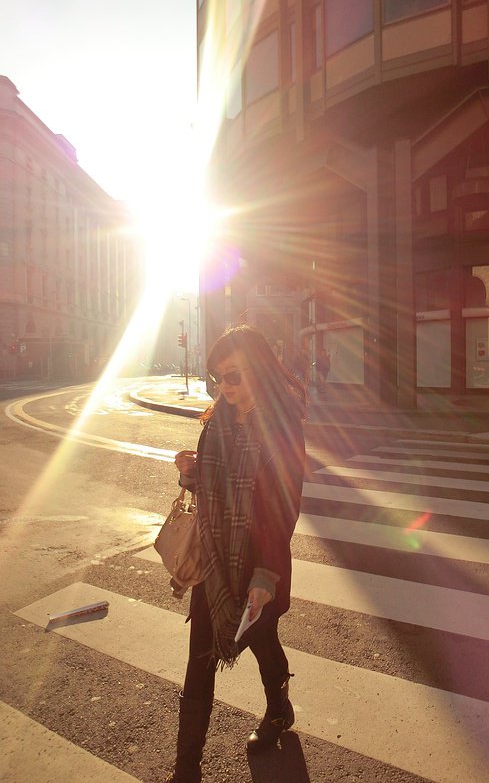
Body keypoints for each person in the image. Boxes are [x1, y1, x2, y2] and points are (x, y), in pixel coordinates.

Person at [166, 325, 306, 783]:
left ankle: (278, 709)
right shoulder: (216, 424)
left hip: (259, 561)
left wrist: (266, 575)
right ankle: (186, 769)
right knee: (199, 663)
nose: (223, 386)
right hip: (215, 564)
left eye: (233, 376)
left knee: (263, 643)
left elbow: (284, 506)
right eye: (217, 376)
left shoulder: (282, 428)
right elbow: (212, 491)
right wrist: (190, 475)